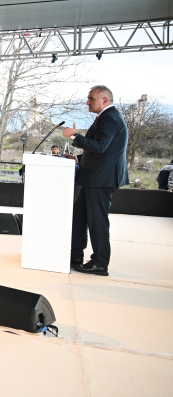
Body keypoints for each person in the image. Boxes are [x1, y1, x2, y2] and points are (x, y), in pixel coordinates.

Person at [63, 85, 129, 276]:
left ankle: (100, 263)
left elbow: (100, 147)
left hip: (102, 179)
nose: (87, 102)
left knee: (97, 221)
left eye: (91, 98)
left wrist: (74, 136)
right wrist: (78, 158)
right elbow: (103, 150)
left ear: (104, 100)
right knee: (79, 216)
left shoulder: (109, 118)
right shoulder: (107, 117)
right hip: (95, 177)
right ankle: (75, 255)